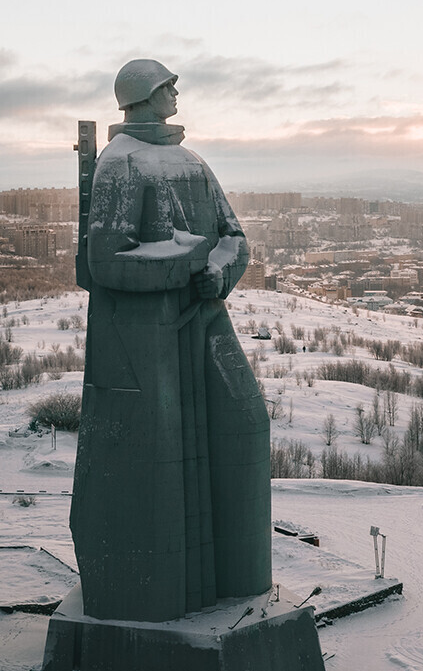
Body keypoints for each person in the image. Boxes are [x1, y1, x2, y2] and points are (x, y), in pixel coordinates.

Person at [70, 59, 272, 623]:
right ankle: (152, 600)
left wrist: (220, 273)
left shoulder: (191, 161)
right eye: (167, 85)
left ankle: (240, 582)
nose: (176, 92)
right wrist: (188, 264)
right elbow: (106, 262)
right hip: (144, 336)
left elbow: (235, 238)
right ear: (143, 94)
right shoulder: (120, 163)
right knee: (157, 458)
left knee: (246, 421)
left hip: (203, 317)